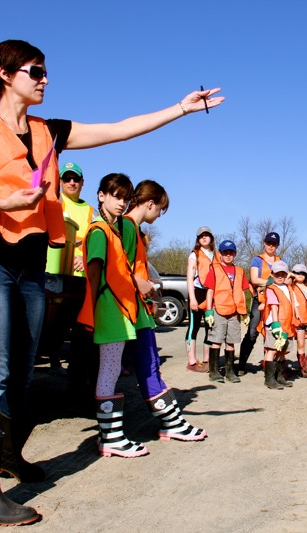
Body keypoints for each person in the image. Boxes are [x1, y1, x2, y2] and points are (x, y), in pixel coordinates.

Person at [0, 39, 223, 526]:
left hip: (33, 262)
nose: (44, 79)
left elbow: (118, 130)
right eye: (35, 71)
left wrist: (180, 109)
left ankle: (9, 457)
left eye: (45, 71)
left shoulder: (49, 131)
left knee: (19, 370)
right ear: (5, 73)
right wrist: (8, 203)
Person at [119, 180, 208, 441]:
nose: (158, 216)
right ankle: (170, 423)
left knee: (149, 364)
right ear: (150, 203)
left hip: (139, 308)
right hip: (130, 310)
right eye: (159, 209)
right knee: (146, 365)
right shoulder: (126, 227)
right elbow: (119, 266)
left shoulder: (133, 230)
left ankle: (169, 422)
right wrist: (141, 283)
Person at [77, 173, 152, 458]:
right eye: (116, 196)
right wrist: (91, 313)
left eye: (125, 198)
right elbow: (94, 272)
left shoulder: (115, 230)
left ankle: (112, 435)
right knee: (108, 370)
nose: (121, 203)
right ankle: (110, 438)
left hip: (117, 309)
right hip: (108, 308)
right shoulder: (99, 230)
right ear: (101, 196)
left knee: (111, 369)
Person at [42, 161, 95, 377]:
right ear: (60, 181)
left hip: (82, 277)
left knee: (78, 327)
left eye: (76, 179)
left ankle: (76, 370)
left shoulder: (91, 210)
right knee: (53, 322)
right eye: (67, 178)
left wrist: (85, 258)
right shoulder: (55, 202)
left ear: (82, 182)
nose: (71, 182)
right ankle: (53, 359)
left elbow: (94, 241)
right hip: (57, 274)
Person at [203, 240, 250, 383]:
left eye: (231, 253)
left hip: (234, 311)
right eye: (225, 253)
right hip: (219, 310)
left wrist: (244, 313)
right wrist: (208, 311)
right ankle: (214, 371)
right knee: (216, 340)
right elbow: (210, 291)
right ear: (220, 254)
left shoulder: (240, 271)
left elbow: (242, 293)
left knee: (231, 342)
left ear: (235, 254)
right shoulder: (214, 269)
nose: (228, 255)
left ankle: (230, 371)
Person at [237, 232, 282, 375]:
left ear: (277, 246)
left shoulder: (281, 261)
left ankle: (270, 366)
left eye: (274, 244)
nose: (271, 246)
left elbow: (286, 280)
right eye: (269, 243)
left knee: (272, 333)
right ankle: (241, 365)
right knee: (252, 333)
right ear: (264, 243)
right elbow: (255, 279)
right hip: (260, 300)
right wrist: (272, 281)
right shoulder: (257, 260)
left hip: (275, 301)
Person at [185, 226, 220, 372]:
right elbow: (189, 277)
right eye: (201, 236)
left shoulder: (217, 255)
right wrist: (192, 298)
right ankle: (192, 360)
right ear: (198, 239)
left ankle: (207, 359)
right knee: (194, 326)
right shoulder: (194, 255)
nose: (204, 238)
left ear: (211, 237)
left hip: (212, 294)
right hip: (198, 292)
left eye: (207, 235)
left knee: (210, 326)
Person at [259, 261, 296, 389]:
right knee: (271, 350)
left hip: (287, 325)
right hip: (276, 325)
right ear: (272, 274)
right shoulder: (271, 289)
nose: (280, 276)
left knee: (282, 351)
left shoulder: (288, 288)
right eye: (277, 274)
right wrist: (276, 325)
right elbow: (274, 307)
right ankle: (269, 379)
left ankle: (280, 377)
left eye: (283, 274)